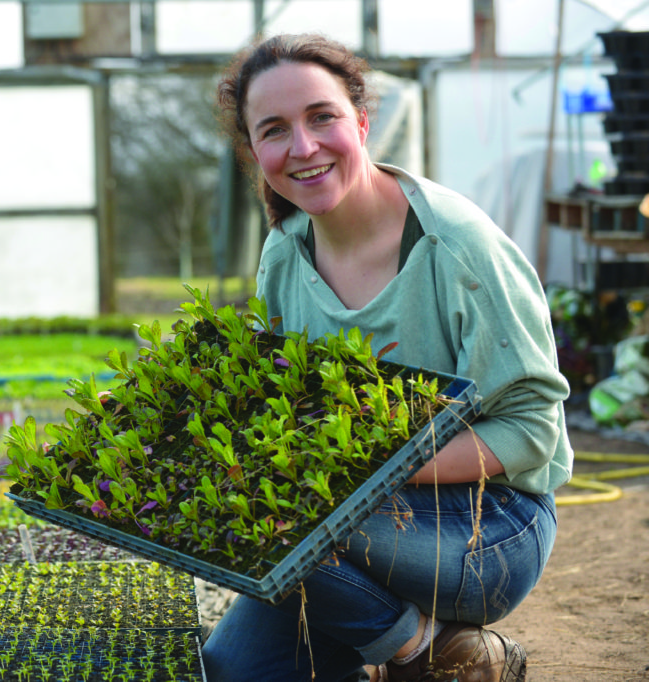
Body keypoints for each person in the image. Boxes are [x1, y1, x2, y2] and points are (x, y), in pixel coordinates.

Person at [201, 33, 573, 682]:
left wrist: (367, 473)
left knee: (285, 516)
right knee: (235, 670)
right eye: (275, 130)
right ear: (255, 153)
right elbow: (282, 410)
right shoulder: (284, 254)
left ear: (362, 122)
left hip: (491, 526)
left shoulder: (455, 246)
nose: (304, 147)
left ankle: (406, 648)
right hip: (348, 520)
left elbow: (531, 431)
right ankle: (412, 644)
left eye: (323, 118)